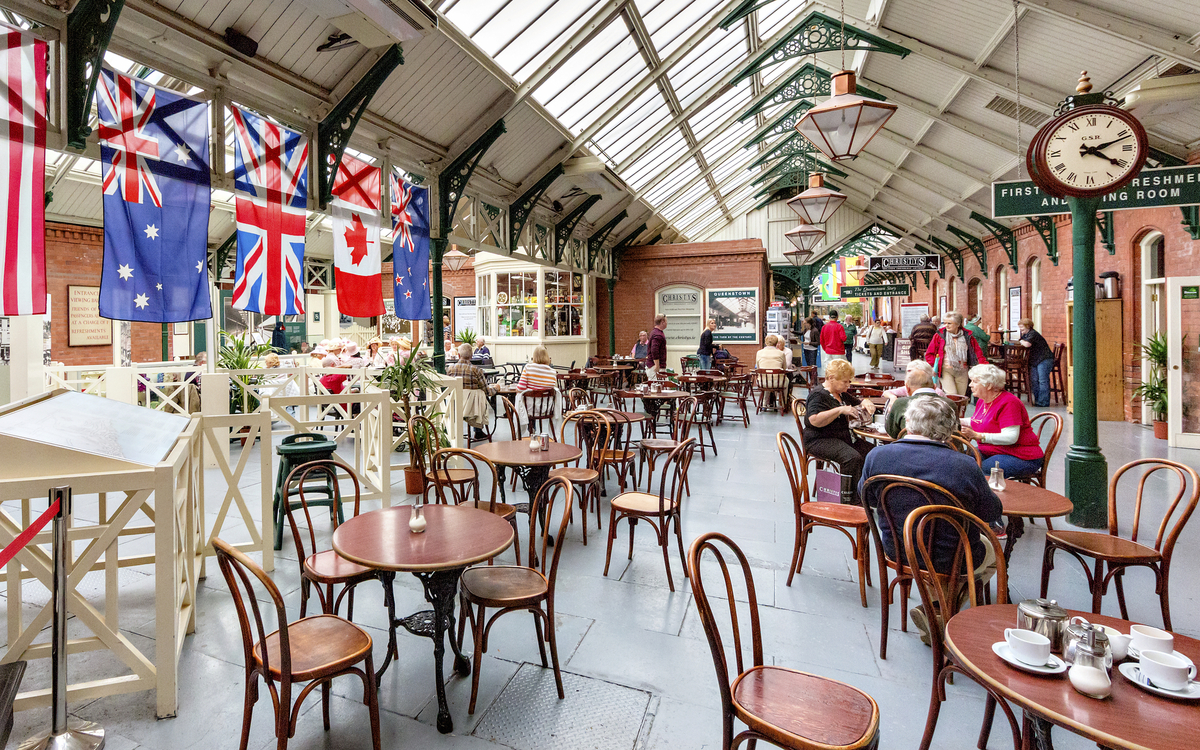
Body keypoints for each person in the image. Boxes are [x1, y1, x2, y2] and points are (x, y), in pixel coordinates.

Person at [859, 397, 1002, 644]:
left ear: (910, 423)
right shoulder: (964, 465)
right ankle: (939, 611)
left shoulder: (877, 456)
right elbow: (990, 513)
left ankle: (935, 610)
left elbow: (868, 498)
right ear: (949, 429)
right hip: (949, 556)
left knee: (940, 548)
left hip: (897, 549)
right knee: (991, 554)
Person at [803, 358, 876, 495]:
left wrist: (865, 402)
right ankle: (849, 499)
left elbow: (858, 402)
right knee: (852, 458)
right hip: (819, 439)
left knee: (874, 454)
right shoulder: (818, 395)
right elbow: (813, 420)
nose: (848, 385)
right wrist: (839, 410)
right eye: (845, 381)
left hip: (841, 437)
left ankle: (867, 493)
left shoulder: (840, 394)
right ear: (831, 378)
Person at [960, 363, 1044, 479]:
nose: (970, 385)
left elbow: (1011, 437)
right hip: (993, 451)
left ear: (988, 385)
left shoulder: (1009, 403)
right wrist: (958, 421)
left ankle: (987, 497)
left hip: (1021, 456)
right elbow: (980, 420)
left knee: (981, 470)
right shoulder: (983, 401)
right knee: (960, 461)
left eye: (975, 381)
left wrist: (978, 435)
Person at [884, 364, 955, 438]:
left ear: (907, 388)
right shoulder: (949, 404)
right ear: (934, 387)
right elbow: (955, 432)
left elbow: (891, 432)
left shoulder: (900, 403)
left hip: (908, 447)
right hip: (942, 448)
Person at [925, 312, 985, 396]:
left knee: (961, 396)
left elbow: (977, 352)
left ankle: (959, 409)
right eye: (945, 323)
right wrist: (932, 366)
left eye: (949, 323)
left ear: (957, 324)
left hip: (963, 370)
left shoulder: (968, 336)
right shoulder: (939, 335)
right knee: (952, 395)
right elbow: (929, 353)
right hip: (946, 370)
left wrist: (984, 366)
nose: (946, 325)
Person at [448, 343, 495, 440]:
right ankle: (478, 431)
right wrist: (496, 388)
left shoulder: (450, 369)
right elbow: (486, 391)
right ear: (471, 356)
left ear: (459, 355)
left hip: (454, 405)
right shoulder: (476, 370)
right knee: (478, 397)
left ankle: (451, 432)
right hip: (472, 410)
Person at [517, 345, 558, 428]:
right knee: (535, 401)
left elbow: (520, 388)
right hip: (546, 409)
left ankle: (528, 429)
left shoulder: (528, 368)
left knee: (521, 398)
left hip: (530, 409)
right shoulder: (553, 372)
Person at [1017, 318, 1054, 407]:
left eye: (1022, 328)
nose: (1021, 330)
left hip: (1044, 358)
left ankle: (1043, 402)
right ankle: (1037, 400)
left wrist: (1021, 341)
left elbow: (1027, 344)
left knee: (1042, 380)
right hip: (1035, 360)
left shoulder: (1033, 334)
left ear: (1028, 327)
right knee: (1034, 380)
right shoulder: (1026, 334)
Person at [882, 361, 946, 405]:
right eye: (908, 371)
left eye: (911, 372)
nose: (909, 374)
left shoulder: (937, 392)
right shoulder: (908, 388)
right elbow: (886, 392)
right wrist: (893, 397)